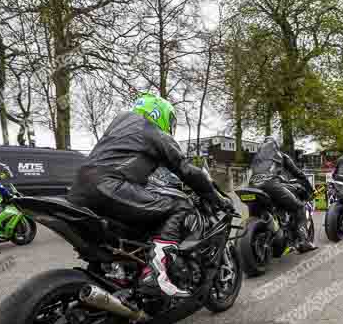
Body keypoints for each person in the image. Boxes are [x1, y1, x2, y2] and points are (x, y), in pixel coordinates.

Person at [66, 93, 234, 298]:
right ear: (159, 114)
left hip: (78, 191)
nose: (170, 126)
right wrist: (217, 198)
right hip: (108, 187)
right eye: (170, 120)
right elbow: (186, 170)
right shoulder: (150, 130)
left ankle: (118, 275)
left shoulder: (117, 128)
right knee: (180, 204)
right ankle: (158, 273)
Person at [248, 135, 317, 253]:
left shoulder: (257, 157)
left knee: (255, 215)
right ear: (276, 145)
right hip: (270, 185)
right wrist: (311, 190)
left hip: (251, 187)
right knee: (298, 207)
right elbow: (298, 173)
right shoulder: (281, 155)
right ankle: (303, 242)